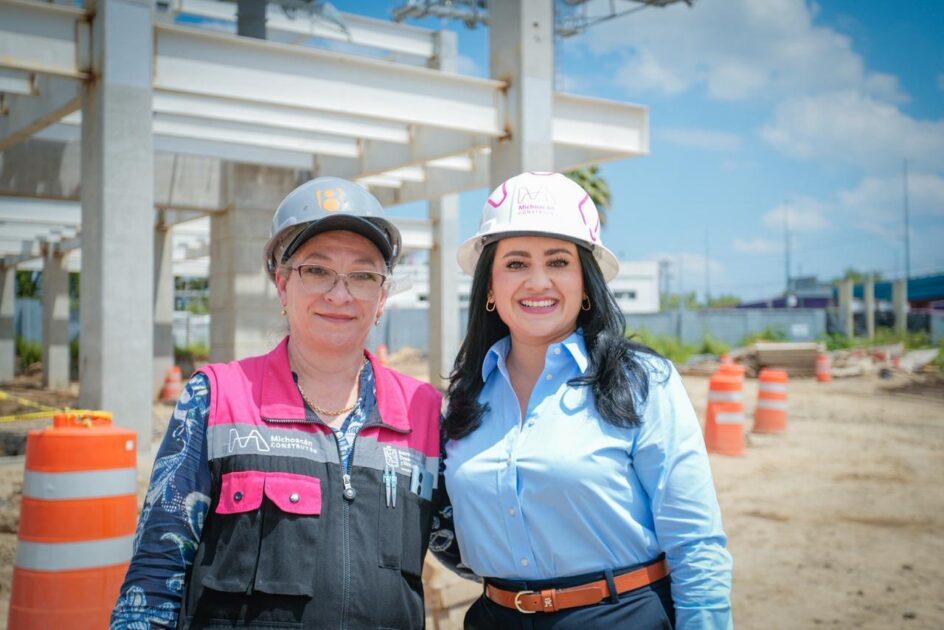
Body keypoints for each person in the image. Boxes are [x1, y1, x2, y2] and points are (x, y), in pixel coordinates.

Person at [111, 177, 444, 629]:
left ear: (382, 296)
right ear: (283, 284)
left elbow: (482, 549)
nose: (339, 294)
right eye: (317, 270)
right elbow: (155, 576)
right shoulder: (216, 399)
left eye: (363, 275)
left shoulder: (425, 412)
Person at [441, 172, 733, 628]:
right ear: (490, 288)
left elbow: (695, 540)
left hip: (620, 615)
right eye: (516, 264)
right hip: (495, 617)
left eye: (558, 262)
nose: (538, 281)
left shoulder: (641, 381)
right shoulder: (466, 395)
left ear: (586, 283)